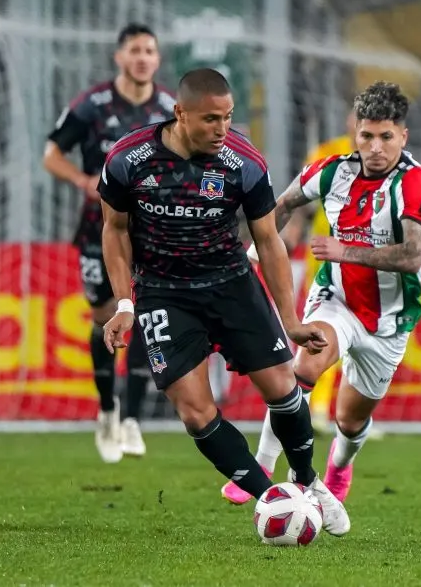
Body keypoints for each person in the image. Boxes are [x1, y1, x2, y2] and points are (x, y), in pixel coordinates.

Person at [99, 68, 350, 536]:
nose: (221, 129)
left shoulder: (244, 162)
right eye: (211, 119)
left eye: (228, 117)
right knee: (195, 410)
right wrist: (124, 303)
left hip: (231, 283)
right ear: (180, 113)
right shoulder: (128, 160)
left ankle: (307, 482)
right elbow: (113, 231)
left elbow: (270, 241)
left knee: (282, 386)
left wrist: (291, 322)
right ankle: (272, 499)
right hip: (162, 293)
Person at [221, 81, 421, 504]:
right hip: (336, 301)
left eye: (385, 137)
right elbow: (280, 206)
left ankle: (340, 463)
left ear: (402, 136)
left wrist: (345, 250)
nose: (375, 147)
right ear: (355, 132)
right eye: (366, 135)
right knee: (301, 371)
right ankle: (262, 465)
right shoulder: (333, 169)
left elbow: (412, 256)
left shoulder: (414, 183)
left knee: (350, 420)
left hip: (389, 320)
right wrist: (250, 253)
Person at [43, 23, 176, 463]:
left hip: (151, 230)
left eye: (149, 51)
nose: (142, 57)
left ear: (157, 60)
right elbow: (51, 153)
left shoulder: (169, 108)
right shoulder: (91, 105)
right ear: (119, 57)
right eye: (134, 50)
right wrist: (82, 179)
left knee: (140, 311)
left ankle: (133, 418)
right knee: (105, 315)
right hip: (97, 230)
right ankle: (107, 411)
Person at [278, 112, 357, 437]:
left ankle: (349, 413)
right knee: (324, 328)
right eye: (356, 118)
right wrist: (290, 235)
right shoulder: (327, 153)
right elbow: (302, 201)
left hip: (369, 259)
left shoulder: (389, 162)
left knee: (361, 337)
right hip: (325, 256)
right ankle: (312, 407)